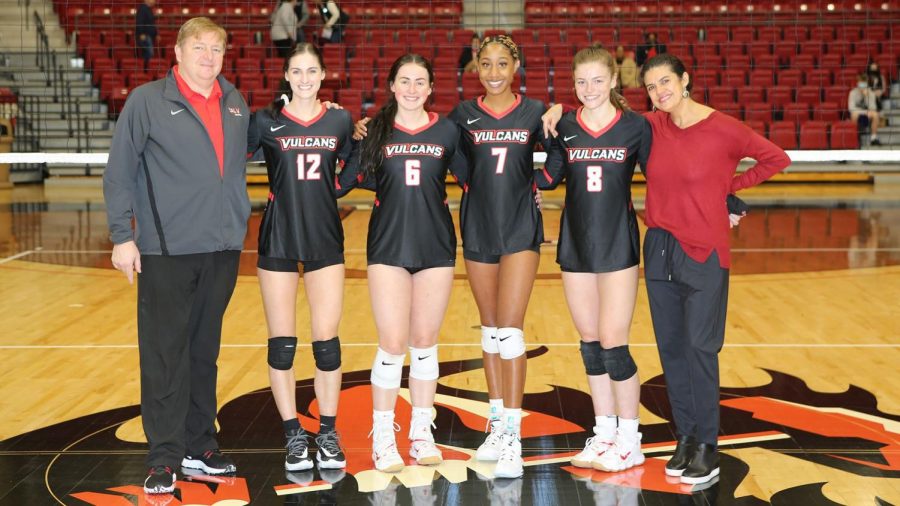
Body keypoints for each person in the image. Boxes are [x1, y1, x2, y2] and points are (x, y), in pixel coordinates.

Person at [103, 17, 251, 495]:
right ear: (179, 52)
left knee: (204, 351)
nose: (209, 57)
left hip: (222, 247)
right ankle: (164, 455)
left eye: (216, 49)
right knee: (165, 354)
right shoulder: (148, 101)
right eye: (200, 48)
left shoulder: (234, 102)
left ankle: (200, 445)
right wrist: (122, 236)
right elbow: (119, 171)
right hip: (166, 250)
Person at [637, 53, 789, 484]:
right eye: (650, 87)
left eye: (665, 81)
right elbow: (603, 116)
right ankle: (686, 437)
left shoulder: (723, 128)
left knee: (701, 350)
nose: (659, 92)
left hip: (705, 253)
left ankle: (708, 445)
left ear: (685, 80)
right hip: (660, 248)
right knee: (671, 350)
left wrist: (729, 189)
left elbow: (775, 158)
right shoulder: (652, 126)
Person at [337, 54, 467, 473]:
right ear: (392, 85)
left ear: (431, 88)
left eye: (421, 82)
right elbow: (345, 182)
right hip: (388, 247)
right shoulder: (373, 130)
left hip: (435, 247)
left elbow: (474, 179)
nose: (412, 88)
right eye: (405, 81)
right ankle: (384, 437)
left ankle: (421, 433)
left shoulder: (447, 130)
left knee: (425, 343)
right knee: (393, 344)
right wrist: (343, 133)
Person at [536, 46, 651, 473]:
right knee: (590, 345)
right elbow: (549, 178)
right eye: (581, 82)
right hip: (576, 246)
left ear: (614, 81)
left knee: (614, 344)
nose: (590, 89)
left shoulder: (635, 128)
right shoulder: (564, 125)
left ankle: (630, 438)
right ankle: (604, 433)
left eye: (598, 80)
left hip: (618, 244)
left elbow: (665, 175)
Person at [247, 43, 354, 472]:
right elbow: (229, 154)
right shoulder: (266, 121)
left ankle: (327, 431)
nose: (305, 78)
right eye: (297, 71)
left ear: (323, 74)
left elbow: (354, 162)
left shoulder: (340, 119)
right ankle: (293, 434)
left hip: (325, 238)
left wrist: (333, 191)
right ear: (287, 76)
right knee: (283, 345)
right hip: (278, 236)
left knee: (326, 346)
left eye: (312, 71)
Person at [450, 35, 549, 479]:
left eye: (502, 64)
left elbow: (564, 156)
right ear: (476, 67)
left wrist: (541, 185)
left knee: (510, 332)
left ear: (517, 67)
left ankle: (513, 435)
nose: (493, 72)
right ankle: (496, 426)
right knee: (490, 331)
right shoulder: (461, 116)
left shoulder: (536, 112)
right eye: (485, 64)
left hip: (521, 229)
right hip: (477, 229)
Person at [849, 72, 882, 146]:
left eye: (864, 84)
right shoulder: (852, 93)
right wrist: (864, 112)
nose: (862, 86)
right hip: (857, 114)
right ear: (857, 83)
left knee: (876, 114)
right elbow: (851, 108)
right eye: (860, 83)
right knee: (854, 114)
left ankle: (873, 138)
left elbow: (873, 108)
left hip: (868, 115)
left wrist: (867, 96)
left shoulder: (871, 93)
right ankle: (855, 138)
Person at [135, 0, 157, 65]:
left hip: (149, 36)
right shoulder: (143, 9)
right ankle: (146, 70)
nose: (154, 1)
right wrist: (141, 33)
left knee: (148, 53)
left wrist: (156, 34)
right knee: (149, 53)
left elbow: (152, 23)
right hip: (145, 36)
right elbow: (139, 22)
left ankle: (146, 70)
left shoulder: (148, 9)